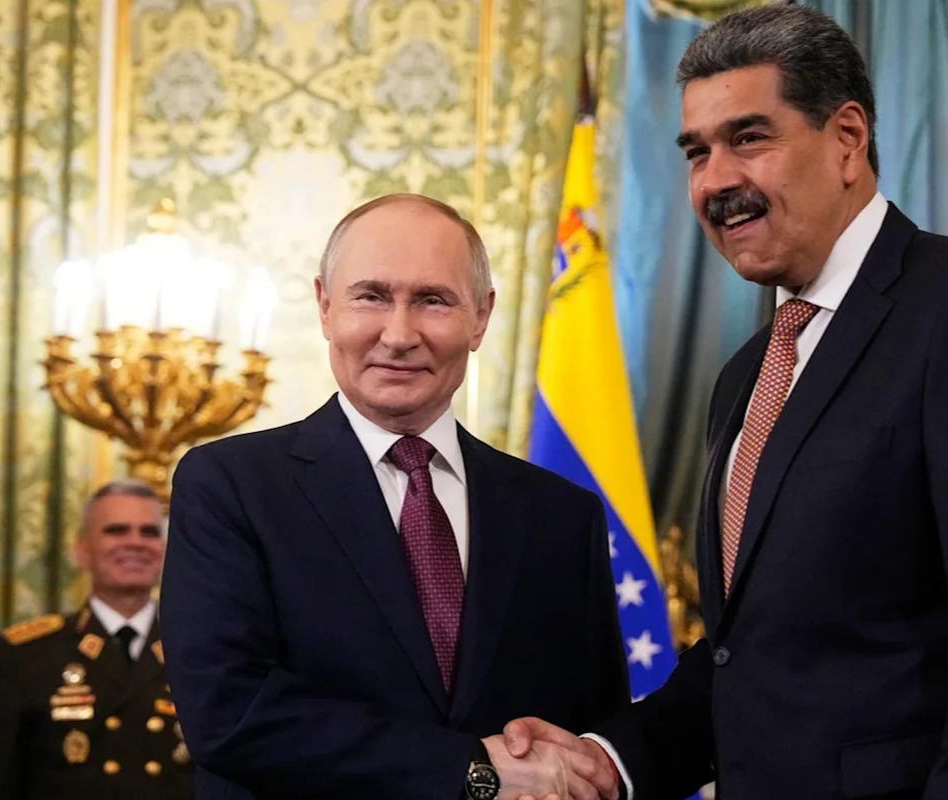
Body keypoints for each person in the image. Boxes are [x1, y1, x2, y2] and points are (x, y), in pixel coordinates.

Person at [504, 6, 948, 799]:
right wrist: (607, 762)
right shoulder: (746, 376)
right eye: (697, 152)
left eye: (749, 138)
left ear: (848, 139)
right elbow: (751, 656)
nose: (716, 181)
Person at [160, 193, 628, 800]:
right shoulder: (230, 486)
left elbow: (590, 732)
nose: (400, 335)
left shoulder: (561, 514)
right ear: (325, 307)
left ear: (481, 317)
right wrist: (467, 770)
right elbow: (228, 713)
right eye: (372, 296)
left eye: (433, 300)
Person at [0, 479, 193, 800]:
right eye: (116, 530)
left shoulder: (199, 649)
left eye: (149, 532)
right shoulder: (27, 654)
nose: (135, 543)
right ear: (82, 551)